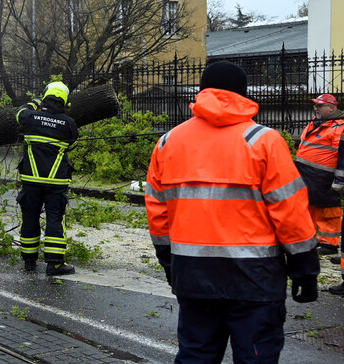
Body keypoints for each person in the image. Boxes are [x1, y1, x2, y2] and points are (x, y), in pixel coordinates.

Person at [145, 61, 319, 363]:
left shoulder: (168, 142)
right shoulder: (264, 141)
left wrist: (169, 262)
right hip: (255, 279)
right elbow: (290, 211)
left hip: (192, 273)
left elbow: (158, 212)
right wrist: (305, 268)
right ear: (244, 93)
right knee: (255, 356)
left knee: (195, 355)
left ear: (201, 92)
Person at [15, 81, 78, 276]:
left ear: (45, 96)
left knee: (30, 218)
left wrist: (34, 103)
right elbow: (72, 141)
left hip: (31, 180)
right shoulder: (68, 123)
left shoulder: (30, 116)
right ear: (65, 102)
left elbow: (19, 114)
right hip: (56, 182)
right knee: (55, 219)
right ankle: (55, 264)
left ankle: (29, 262)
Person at [295, 94, 344, 257]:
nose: (316, 108)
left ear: (331, 108)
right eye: (315, 105)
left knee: (328, 210)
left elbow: (343, 156)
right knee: (308, 208)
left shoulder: (339, 126)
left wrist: (339, 179)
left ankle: (329, 243)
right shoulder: (316, 122)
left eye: (319, 105)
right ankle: (312, 238)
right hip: (307, 175)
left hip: (325, 177)